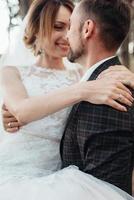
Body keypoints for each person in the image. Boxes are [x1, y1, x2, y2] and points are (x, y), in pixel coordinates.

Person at [0, 0, 134, 199]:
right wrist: (84, 89)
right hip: (17, 173)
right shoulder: (11, 72)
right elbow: (22, 110)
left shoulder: (83, 73)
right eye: (57, 27)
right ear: (36, 28)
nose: (66, 35)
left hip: (64, 178)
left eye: (70, 26)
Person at [60, 0, 134, 196]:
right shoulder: (93, 84)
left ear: (87, 29)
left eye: (70, 26)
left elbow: (103, 192)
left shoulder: (109, 95)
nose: (66, 34)